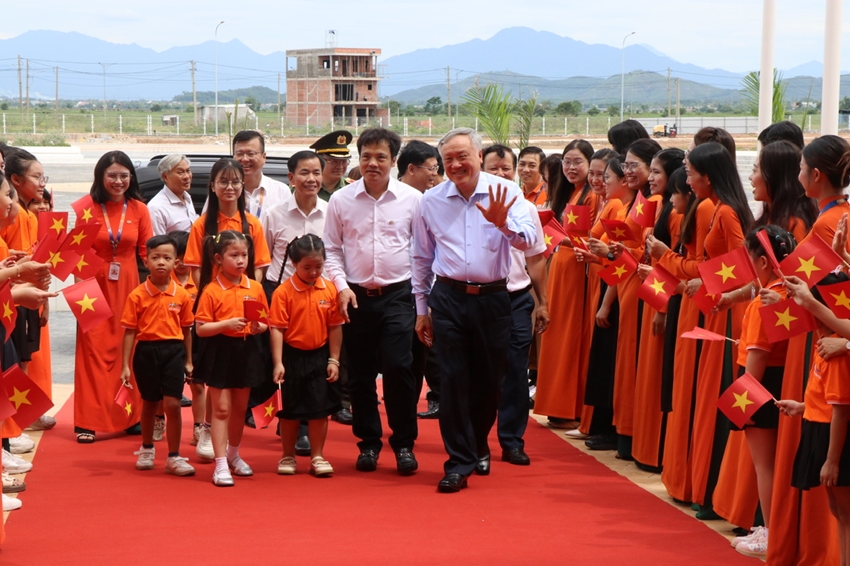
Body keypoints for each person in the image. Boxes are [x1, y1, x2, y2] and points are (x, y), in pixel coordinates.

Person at [412, 127, 537, 492]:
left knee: (488, 382)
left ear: (480, 157)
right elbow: (421, 257)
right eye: (448, 159)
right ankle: (458, 461)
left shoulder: (507, 192)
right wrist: (422, 309)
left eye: (462, 156)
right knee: (451, 381)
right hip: (448, 298)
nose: (455, 164)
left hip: (495, 298)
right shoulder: (431, 201)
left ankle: (478, 442)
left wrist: (503, 223)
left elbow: (530, 242)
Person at [324, 128, 422, 475]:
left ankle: (405, 443)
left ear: (394, 161)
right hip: (355, 297)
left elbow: (423, 252)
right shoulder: (341, 200)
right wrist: (340, 285)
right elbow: (332, 250)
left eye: (381, 157)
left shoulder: (412, 199)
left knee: (399, 367)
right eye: (366, 156)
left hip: (399, 295)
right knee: (361, 376)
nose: (373, 163)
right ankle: (368, 444)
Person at [183, 158, 271, 459]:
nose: (230, 187)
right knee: (213, 378)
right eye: (223, 181)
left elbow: (259, 269)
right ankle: (206, 428)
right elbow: (195, 270)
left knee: (239, 384)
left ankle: (232, 450)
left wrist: (248, 296)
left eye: (235, 181)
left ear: (243, 185)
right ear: (213, 186)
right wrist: (215, 293)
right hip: (212, 307)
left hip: (245, 313)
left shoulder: (253, 224)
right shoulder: (201, 224)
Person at [71, 150, 153, 443]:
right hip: (91, 290)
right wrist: (79, 292)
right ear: (100, 177)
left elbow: (148, 253)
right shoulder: (86, 207)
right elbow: (74, 254)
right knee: (92, 353)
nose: (118, 181)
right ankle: (87, 421)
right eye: (112, 175)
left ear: (131, 178)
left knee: (127, 351)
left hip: (129, 289)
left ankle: (129, 417)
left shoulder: (140, 210)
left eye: (123, 175)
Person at [482, 144, 549, 470]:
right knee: (480, 373)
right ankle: (477, 440)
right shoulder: (468, 208)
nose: (500, 175)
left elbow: (535, 259)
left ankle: (511, 440)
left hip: (516, 299)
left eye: (505, 168)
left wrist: (543, 302)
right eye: (492, 168)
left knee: (515, 370)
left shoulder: (526, 209)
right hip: (478, 299)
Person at [777, 273, 850, 566]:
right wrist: (803, 407)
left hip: (836, 438)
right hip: (819, 429)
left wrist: (832, 460)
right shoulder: (829, 345)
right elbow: (829, 400)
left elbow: (842, 410)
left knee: (845, 511)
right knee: (839, 510)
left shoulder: (837, 351)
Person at [194, 230, 269, 486]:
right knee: (222, 409)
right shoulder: (211, 290)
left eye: (244, 255)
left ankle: (234, 454)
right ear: (218, 258)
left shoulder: (256, 287)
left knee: (239, 408)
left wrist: (260, 327)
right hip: (219, 352)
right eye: (233, 255)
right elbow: (201, 328)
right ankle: (220, 464)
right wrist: (225, 324)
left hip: (247, 351)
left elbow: (264, 321)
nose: (240, 260)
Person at [534, 140, 598, 431]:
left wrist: (557, 235)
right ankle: (556, 404)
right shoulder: (567, 193)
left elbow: (593, 241)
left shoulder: (591, 196)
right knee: (556, 335)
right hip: (559, 270)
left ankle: (570, 406)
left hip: (575, 272)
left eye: (578, 162)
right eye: (567, 162)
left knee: (570, 337)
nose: (571, 168)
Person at [119, 234, 195, 477]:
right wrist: (125, 366)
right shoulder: (137, 295)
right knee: (150, 403)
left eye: (167, 258)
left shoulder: (182, 295)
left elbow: (187, 330)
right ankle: (147, 448)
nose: (161, 262)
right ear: (146, 261)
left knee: (173, 404)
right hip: (146, 352)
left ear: (176, 262)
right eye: (155, 257)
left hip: (173, 351)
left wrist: (189, 360)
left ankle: (174, 456)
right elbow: (130, 332)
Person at [270, 235, 344, 477]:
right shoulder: (283, 292)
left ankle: (318, 456)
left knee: (320, 410)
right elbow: (277, 329)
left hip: (319, 356)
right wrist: (278, 362)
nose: (314, 273)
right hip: (291, 356)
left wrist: (334, 359)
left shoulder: (330, 288)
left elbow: (335, 326)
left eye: (319, 267)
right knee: (289, 411)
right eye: (307, 267)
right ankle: (288, 455)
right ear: (293, 263)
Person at [231, 130, 291, 218]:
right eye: (239, 154)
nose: (244, 159)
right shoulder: (224, 191)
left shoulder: (281, 191)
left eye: (251, 154)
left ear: (264, 157)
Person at [147, 154, 198, 235]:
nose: (187, 176)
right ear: (165, 177)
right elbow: (158, 245)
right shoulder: (156, 208)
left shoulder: (187, 197)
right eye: (180, 172)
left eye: (188, 171)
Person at [311, 130, 353, 201]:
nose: (340, 166)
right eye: (334, 161)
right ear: (319, 161)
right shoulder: (304, 187)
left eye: (344, 161)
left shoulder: (353, 188)